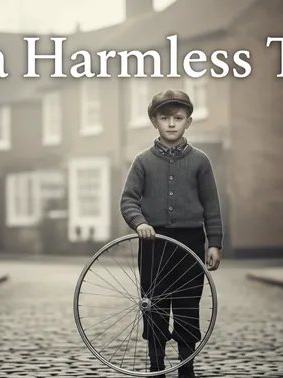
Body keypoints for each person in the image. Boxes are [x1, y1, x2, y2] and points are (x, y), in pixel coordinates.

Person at [120, 89, 223, 378]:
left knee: (189, 303)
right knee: (153, 304)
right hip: (154, 243)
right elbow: (128, 200)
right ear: (154, 121)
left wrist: (214, 243)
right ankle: (156, 367)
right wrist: (139, 222)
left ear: (188, 121)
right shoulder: (142, 161)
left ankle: (186, 367)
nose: (172, 124)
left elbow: (212, 205)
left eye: (178, 118)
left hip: (190, 243)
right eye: (165, 118)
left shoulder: (201, 161)